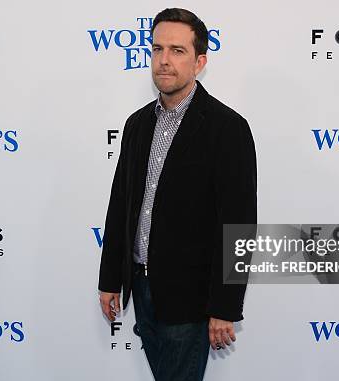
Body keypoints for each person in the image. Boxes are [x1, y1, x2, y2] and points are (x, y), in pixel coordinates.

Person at [98, 8, 257, 381]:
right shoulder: (137, 124)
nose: (164, 60)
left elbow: (239, 225)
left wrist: (224, 307)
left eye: (177, 50)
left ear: (200, 61)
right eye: (157, 49)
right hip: (141, 286)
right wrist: (110, 279)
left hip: (192, 296)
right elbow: (120, 206)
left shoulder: (226, 128)